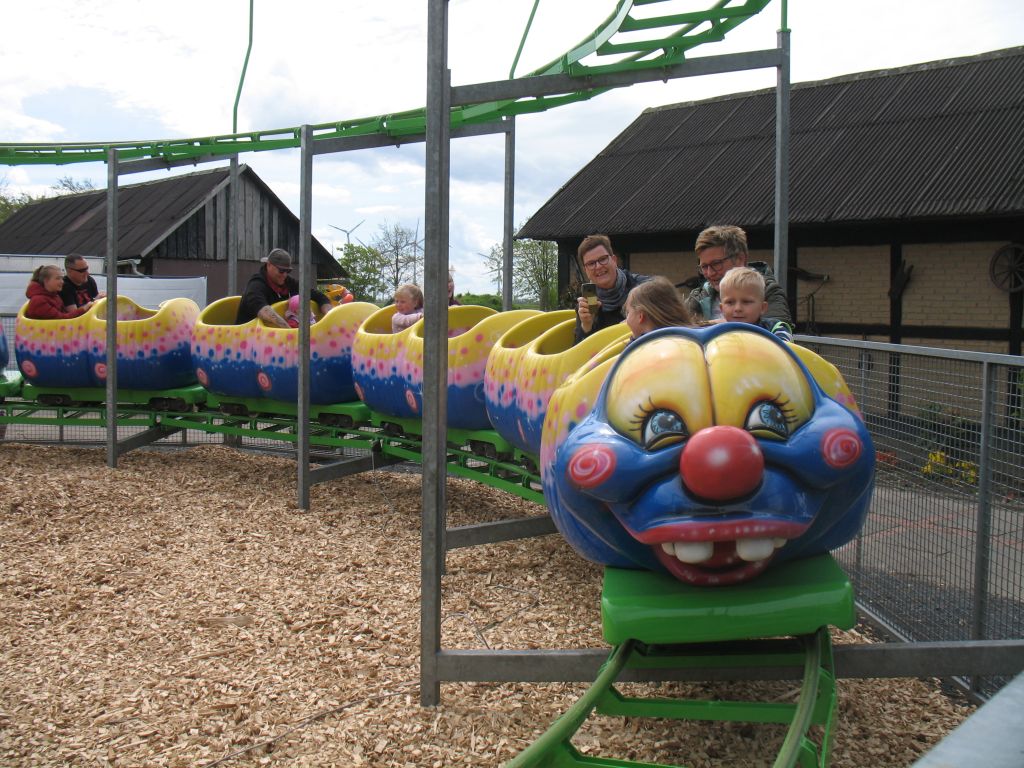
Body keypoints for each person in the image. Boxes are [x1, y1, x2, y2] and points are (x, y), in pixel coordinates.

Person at [686, 225, 791, 327]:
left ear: (740, 259)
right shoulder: (697, 297)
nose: (710, 273)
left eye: (716, 264)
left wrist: (705, 326)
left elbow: (777, 330)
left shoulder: (767, 290)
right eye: (704, 267)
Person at [574, 234, 650, 344]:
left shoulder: (642, 288)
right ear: (586, 270)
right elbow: (579, 352)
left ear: (614, 260)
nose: (598, 266)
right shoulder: (586, 305)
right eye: (591, 263)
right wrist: (586, 326)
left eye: (603, 259)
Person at [235, 248, 332, 327]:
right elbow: (263, 310)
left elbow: (318, 296)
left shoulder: (288, 282)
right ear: (269, 265)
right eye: (281, 271)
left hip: (275, 337)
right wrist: (289, 332)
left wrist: (330, 317)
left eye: (288, 271)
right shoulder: (256, 284)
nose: (285, 275)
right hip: (247, 336)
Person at [718, 267, 794, 341]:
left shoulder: (775, 328)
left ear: (762, 308)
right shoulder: (717, 333)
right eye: (730, 302)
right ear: (722, 309)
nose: (738, 308)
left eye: (746, 302)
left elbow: (783, 346)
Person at [622, 277, 694, 340]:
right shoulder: (691, 336)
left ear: (640, 316)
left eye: (628, 313)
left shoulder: (643, 347)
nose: (625, 321)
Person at [26, 265, 92, 320]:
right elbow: (61, 319)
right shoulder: (38, 301)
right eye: (58, 278)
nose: (62, 282)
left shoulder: (54, 296)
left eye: (62, 278)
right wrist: (83, 309)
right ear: (46, 281)